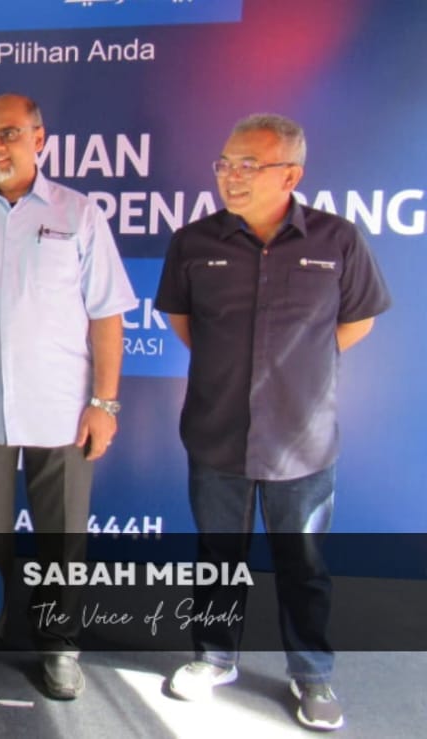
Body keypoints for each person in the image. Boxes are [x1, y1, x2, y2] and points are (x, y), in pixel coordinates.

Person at [156, 114, 390, 731]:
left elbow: (357, 321)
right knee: (218, 555)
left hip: (301, 439)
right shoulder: (194, 242)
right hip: (217, 431)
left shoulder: (337, 240)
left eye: (248, 165)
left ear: (291, 175)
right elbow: (184, 323)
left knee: (303, 563)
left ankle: (311, 673)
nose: (231, 176)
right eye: (225, 164)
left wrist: (298, 370)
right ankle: (214, 658)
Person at [0, 94, 138, 699]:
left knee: (62, 538)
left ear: (39, 139)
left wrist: (105, 404)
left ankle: (59, 643)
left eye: (8, 133)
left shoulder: (80, 214)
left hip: (63, 411)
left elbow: (107, 314)